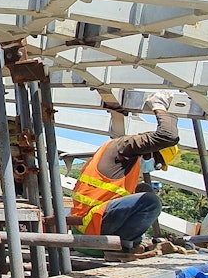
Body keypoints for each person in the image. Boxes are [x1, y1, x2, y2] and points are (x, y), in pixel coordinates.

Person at [71, 90, 179, 251]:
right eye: (156, 164)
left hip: (90, 223)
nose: (153, 169)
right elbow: (168, 136)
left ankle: (131, 243)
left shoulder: (123, 157)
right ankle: (126, 246)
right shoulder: (124, 147)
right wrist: (159, 106)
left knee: (143, 190)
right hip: (91, 227)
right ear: (150, 151)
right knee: (150, 202)